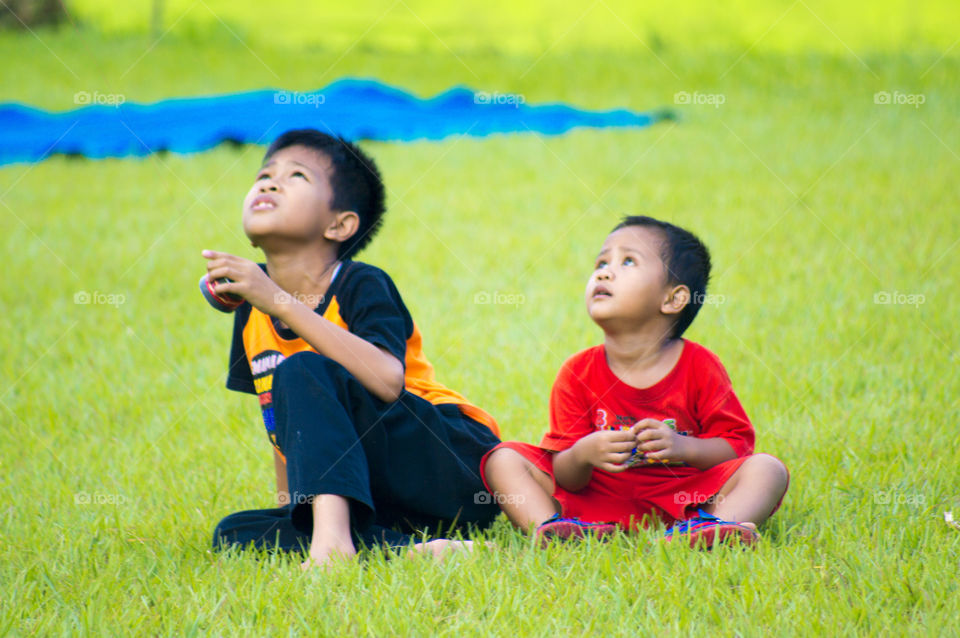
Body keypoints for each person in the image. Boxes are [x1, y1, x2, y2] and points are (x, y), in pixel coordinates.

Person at [205, 129, 502, 568]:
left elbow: (387, 380)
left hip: (452, 464)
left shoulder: (361, 283)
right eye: (264, 174)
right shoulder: (253, 307)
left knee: (303, 369)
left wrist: (275, 299)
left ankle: (332, 548)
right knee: (234, 533)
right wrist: (294, 511)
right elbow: (283, 426)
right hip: (378, 495)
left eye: (296, 176)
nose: (268, 183)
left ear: (339, 224)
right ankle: (408, 550)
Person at [482, 216, 789, 548]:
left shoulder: (700, 365)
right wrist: (584, 453)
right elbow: (567, 475)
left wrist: (684, 447)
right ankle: (555, 530)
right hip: (597, 500)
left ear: (673, 299)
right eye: (601, 262)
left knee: (768, 469)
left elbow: (735, 446)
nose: (604, 272)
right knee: (504, 458)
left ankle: (710, 527)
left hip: (685, 497)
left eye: (628, 261)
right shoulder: (577, 371)